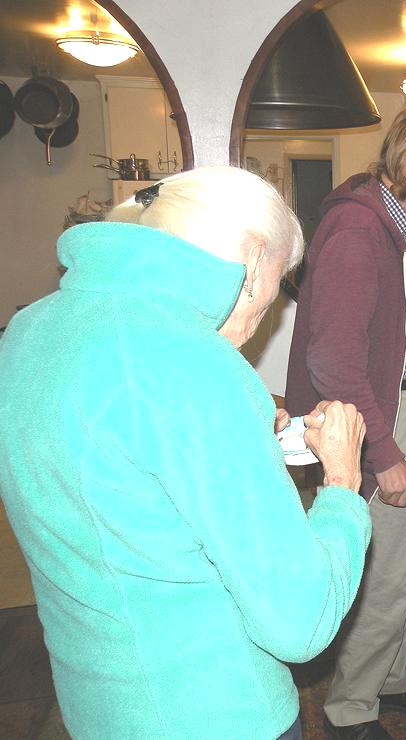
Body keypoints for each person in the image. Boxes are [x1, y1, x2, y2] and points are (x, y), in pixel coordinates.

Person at [0, 166, 373, 740]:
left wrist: (243, 445)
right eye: (276, 287)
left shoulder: (29, 329)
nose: (262, 317)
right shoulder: (196, 364)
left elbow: (116, 486)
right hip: (216, 713)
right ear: (252, 263)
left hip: (98, 705)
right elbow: (301, 620)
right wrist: (342, 485)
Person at [285, 107, 406, 740]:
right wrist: (384, 454)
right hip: (385, 413)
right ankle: (350, 710)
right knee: (385, 568)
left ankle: (391, 678)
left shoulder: (396, 225)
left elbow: (390, 323)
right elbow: (334, 356)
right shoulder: (359, 230)